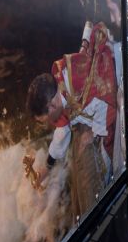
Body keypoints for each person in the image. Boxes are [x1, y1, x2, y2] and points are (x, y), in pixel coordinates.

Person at [26, 22, 118, 218]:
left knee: (100, 169)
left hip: (112, 106)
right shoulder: (60, 92)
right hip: (93, 115)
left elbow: (106, 97)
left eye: (46, 119)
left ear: (52, 104)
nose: (49, 123)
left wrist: (95, 132)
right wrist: (47, 167)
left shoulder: (81, 79)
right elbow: (63, 129)